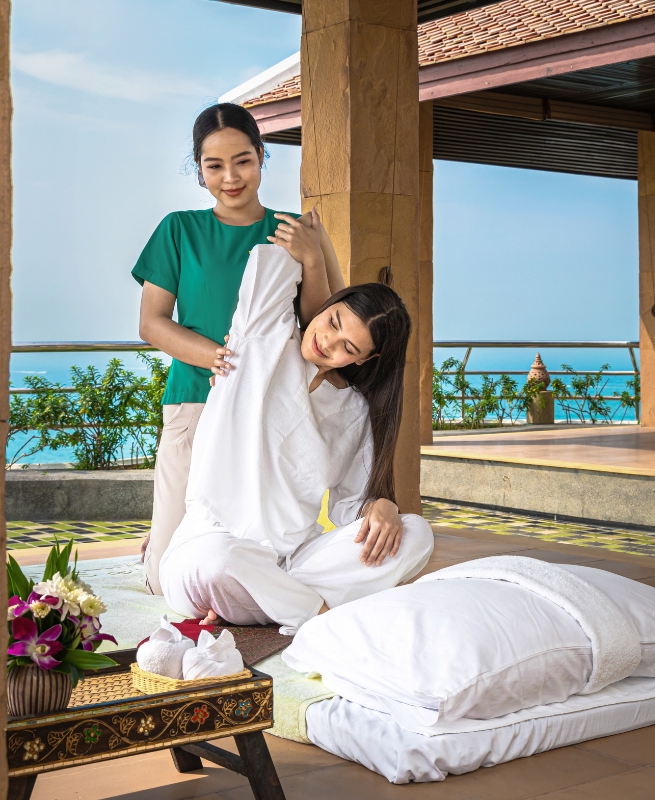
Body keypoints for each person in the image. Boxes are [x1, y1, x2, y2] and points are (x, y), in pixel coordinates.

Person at [158, 245, 435, 634]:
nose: (329, 342)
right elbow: (270, 262)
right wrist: (315, 254)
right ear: (329, 304)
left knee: (415, 535)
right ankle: (318, 615)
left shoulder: (354, 411)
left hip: (291, 561)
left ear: (364, 361)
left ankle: (267, 603)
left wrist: (382, 505)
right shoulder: (262, 341)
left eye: (348, 348)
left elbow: (348, 507)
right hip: (209, 546)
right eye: (334, 321)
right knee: (220, 559)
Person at [133, 103, 343, 595]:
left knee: (260, 547)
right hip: (194, 398)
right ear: (199, 168)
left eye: (243, 160)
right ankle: (160, 540)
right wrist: (216, 359)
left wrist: (312, 258)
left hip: (266, 410)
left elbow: (322, 326)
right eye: (214, 165)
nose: (231, 177)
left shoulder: (299, 229)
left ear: (263, 156)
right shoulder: (178, 230)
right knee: (166, 580)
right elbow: (151, 323)